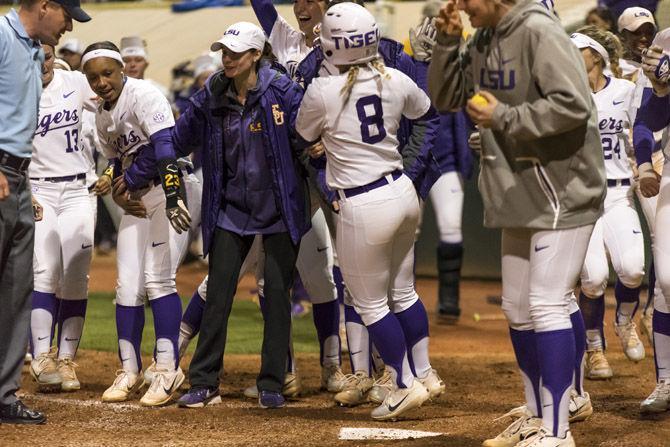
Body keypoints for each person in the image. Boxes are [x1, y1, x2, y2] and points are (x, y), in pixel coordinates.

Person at [428, 1, 606, 445]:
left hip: (562, 191)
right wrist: (448, 42)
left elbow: (574, 105)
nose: (463, 5)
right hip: (518, 192)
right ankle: (535, 413)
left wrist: (504, 118)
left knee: (547, 303)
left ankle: (558, 430)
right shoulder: (485, 38)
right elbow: (446, 98)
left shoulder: (540, 32)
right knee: (517, 309)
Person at [297, 2, 440, 420]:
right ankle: (425, 372)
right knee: (404, 292)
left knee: (370, 302)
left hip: (362, 200)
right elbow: (427, 112)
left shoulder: (322, 90)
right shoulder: (394, 77)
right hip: (401, 189)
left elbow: (303, 135)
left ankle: (401, 382)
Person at [171, 22, 310, 409]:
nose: (227, 59)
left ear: (255, 56)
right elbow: (179, 137)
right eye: (224, 52)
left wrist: (327, 190)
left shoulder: (282, 91)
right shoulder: (212, 93)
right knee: (217, 294)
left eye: (235, 53)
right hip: (231, 209)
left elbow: (308, 139)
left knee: (278, 297)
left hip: (280, 207)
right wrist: (146, 166)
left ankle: (272, 384)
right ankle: (204, 383)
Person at [81, 41, 192, 407]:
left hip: (164, 191)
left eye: (107, 73)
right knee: (127, 287)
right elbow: (116, 162)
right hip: (135, 200)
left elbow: (165, 147)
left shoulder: (145, 95)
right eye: (93, 77)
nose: (101, 82)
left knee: (158, 281)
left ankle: (166, 368)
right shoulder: (101, 115)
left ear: (122, 70)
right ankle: (129, 370)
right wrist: (116, 187)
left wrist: (174, 197)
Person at [0, 0, 90, 425]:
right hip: (1, 170)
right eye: (66, 14)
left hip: (20, 178)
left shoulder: (36, 51)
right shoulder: (1, 36)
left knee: (17, 290)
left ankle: (4, 395)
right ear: (45, 5)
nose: (70, 24)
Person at [28, 43, 110, 393]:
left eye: (46, 55)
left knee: (77, 275)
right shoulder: (13, 88)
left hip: (79, 190)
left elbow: (114, 102)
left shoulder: (75, 82)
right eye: (34, 55)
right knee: (45, 270)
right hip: (38, 191)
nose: (41, 62)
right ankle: (41, 356)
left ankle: (66, 359)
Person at [571, 28, 646, 382]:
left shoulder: (625, 91)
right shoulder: (565, 92)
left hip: (619, 193)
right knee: (594, 279)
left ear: (597, 56)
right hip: (582, 197)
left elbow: (643, 131)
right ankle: (594, 347)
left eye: (579, 48)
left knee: (632, 269)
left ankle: (624, 320)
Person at [635, 27, 670, 414]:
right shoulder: (666, 39)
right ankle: (666, 381)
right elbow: (650, 119)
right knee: (667, 281)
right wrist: (661, 89)